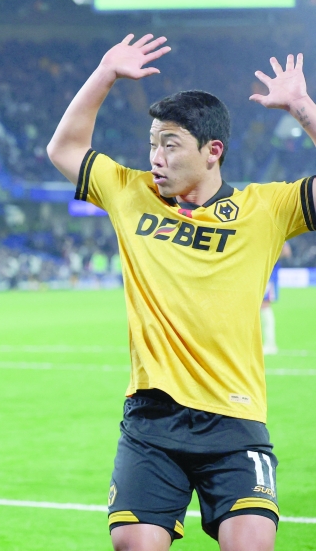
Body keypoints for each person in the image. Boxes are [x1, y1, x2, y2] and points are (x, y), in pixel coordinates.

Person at [46, 36, 315, 550]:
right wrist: (104, 73)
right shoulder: (130, 193)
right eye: (153, 144)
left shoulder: (266, 209)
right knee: (134, 544)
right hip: (152, 419)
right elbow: (63, 149)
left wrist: (302, 106)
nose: (156, 158)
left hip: (235, 419)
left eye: (170, 145)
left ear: (213, 151)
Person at [260, 242, 292, 355]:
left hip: (269, 277)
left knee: (264, 306)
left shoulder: (275, 234)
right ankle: (268, 344)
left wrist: (270, 258)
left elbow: (286, 252)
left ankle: (270, 344)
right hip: (262, 276)